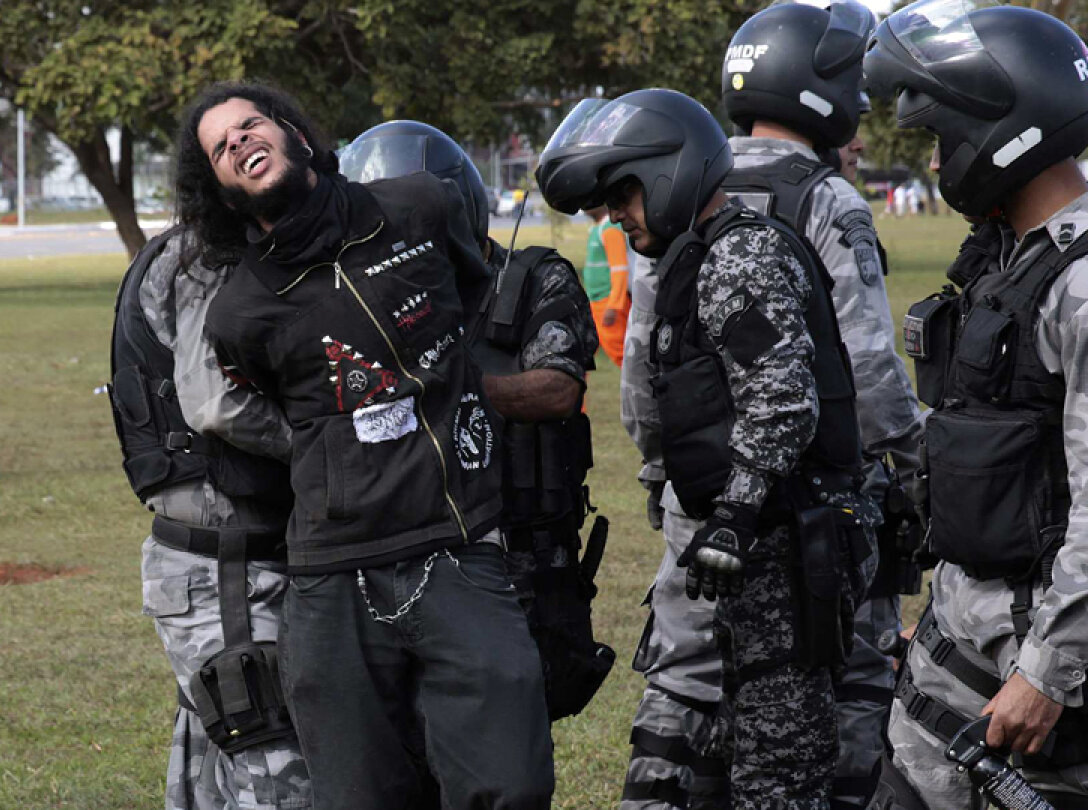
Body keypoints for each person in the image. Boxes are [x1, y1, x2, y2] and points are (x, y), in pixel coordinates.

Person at [176, 82, 553, 810]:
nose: (239, 143)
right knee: (357, 795)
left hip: (456, 543)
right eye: (221, 148)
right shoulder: (240, 312)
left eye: (249, 125)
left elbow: (475, 309)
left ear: (289, 129)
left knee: (511, 783)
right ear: (220, 189)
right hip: (331, 570)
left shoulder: (417, 206)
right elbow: (275, 413)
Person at [537, 87, 877, 810]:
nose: (618, 220)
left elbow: (783, 399)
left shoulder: (739, 256)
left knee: (777, 774)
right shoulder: (698, 259)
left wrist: (736, 512)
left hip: (784, 553)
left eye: (622, 197)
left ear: (668, 173)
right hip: (757, 554)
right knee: (734, 757)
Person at [865, 1, 1088, 806]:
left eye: (938, 137)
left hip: (1032, 694)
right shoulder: (1005, 261)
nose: (935, 164)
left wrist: (1049, 672)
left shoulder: (1079, 283)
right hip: (950, 666)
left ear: (1006, 126)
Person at [719, 4, 926, 806]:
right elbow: (869, 365)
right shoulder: (825, 197)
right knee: (848, 688)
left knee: (697, 704)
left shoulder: (688, 184)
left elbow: (643, 376)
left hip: (705, 505)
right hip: (813, 512)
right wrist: (913, 467)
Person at [339, 120, 613, 724]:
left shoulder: (534, 279)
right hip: (399, 555)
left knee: (505, 745)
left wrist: (440, 394)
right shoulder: (361, 299)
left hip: (517, 555)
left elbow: (558, 388)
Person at [110, 225, 311, 810]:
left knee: (214, 767)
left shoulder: (209, 246)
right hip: (224, 569)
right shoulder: (209, 254)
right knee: (278, 776)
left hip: (223, 559)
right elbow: (216, 405)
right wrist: (321, 445)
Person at [582, 205, 631, 367]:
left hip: (608, 303)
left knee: (623, 357)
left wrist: (614, 306)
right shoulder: (597, 229)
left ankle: (644, 389)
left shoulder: (610, 230)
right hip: (594, 303)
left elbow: (620, 269)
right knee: (581, 354)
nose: (584, 205)